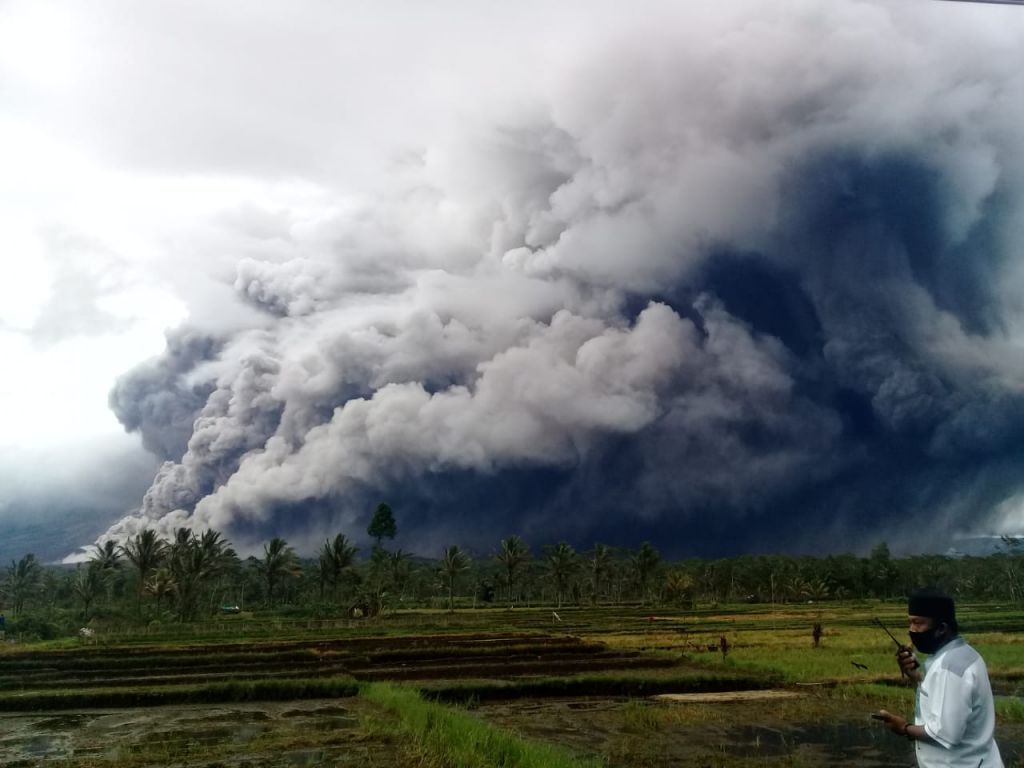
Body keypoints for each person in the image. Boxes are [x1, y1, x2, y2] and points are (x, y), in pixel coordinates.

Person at [875, 588, 1003, 767]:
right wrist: (917, 678)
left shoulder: (949, 668)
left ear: (941, 628)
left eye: (918, 623)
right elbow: (944, 699)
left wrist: (903, 728)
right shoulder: (962, 654)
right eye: (910, 623)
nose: (911, 630)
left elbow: (945, 733)